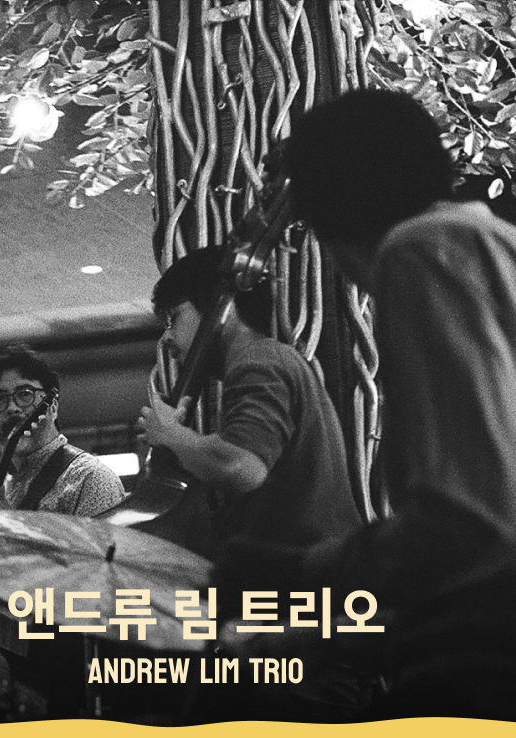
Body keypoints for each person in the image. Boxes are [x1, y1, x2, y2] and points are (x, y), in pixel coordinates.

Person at [216, 89, 516, 720]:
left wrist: (298, 570)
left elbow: (471, 522)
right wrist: (306, 640)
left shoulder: (424, 246)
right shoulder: (491, 243)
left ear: (330, 209)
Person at [138, 247, 366, 722]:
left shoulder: (258, 362)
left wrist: (171, 435)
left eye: (174, 317)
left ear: (219, 308)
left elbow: (243, 467)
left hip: (303, 616)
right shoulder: (273, 360)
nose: (169, 339)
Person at [0, 346, 125, 717]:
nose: (13, 408)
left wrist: (11, 536)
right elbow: (2, 594)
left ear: (53, 406)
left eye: (25, 394)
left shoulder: (91, 479)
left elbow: (105, 590)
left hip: (56, 678)